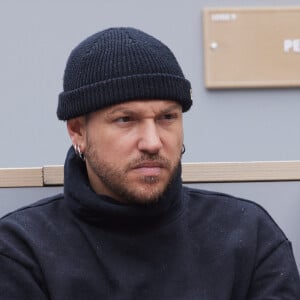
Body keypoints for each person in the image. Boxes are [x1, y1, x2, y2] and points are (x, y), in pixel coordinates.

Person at [0, 27, 299, 299]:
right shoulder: (22, 249)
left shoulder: (247, 234)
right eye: (125, 120)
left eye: (167, 117)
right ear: (77, 130)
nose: (152, 142)